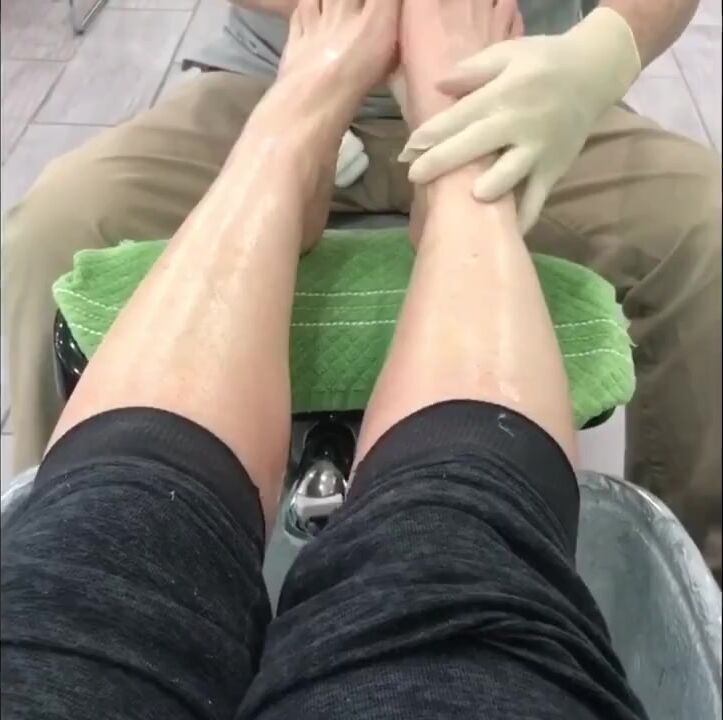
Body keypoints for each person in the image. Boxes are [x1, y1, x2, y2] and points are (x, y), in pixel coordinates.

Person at [2, 2, 650, 717]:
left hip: (516, 80)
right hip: (269, 71)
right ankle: (328, 148)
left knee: (704, 239)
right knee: (52, 225)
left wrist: (603, 52)